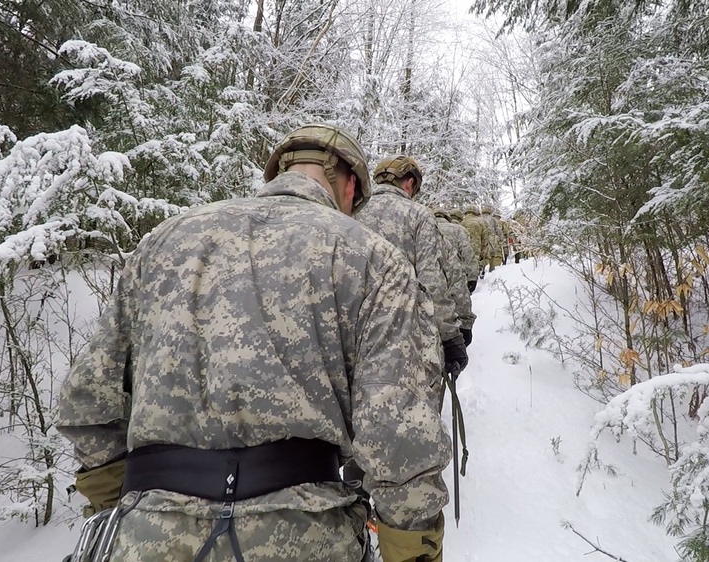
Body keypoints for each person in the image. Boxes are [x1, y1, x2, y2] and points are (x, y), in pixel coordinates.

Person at [56, 123, 451, 562]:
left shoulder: (163, 242)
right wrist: (414, 552)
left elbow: (89, 398)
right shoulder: (372, 256)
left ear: (278, 172)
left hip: (149, 532)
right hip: (304, 535)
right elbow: (398, 432)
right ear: (351, 185)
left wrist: (118, 508)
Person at [354, 155, 468, 387]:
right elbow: (431, 281)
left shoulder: (352, 212)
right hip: (406, 333)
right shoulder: (418, 214)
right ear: (409, 182)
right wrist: (450, 335)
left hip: (355, 331)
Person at [433, 208, 476, 345]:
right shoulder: (458, 229)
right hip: (455, 276)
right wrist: (472, 276)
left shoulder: (424, 227)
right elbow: (468, 253)